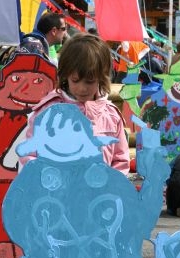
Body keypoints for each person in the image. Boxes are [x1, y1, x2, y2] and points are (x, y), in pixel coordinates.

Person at [23, 33, 130, 174]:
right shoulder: (48, 111)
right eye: (75, 80)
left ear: (102, 77)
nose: (82, 88)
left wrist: (110, 186)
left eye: (90, 81)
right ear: (65, 75)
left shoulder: (111, 115)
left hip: (99, 193)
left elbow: (120, 160)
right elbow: (29, 154)